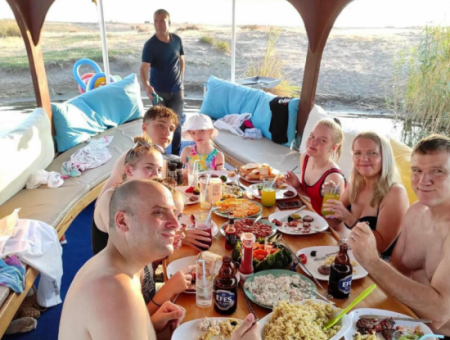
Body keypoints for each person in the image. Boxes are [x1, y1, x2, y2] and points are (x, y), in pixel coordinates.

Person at [59, 179, 260, 340]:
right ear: (122, 221)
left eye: (174, 213)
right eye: (158, 212)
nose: (175, 223)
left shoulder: (117, 267)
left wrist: (151, 327)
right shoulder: (114, 289)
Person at [348, 134, 450, 337]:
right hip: (399, 318)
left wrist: (372, 261)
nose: (424, 180)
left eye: (438, 171)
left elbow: (439, 313)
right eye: (417, 170)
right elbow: (396, 270)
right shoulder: (415, 212)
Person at [324, 131, 409, 258]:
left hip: (381, 264)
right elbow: (332, 221)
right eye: (358, 153)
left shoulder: (395, 193)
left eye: (372, 153)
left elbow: (381, 247)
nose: (364, 158)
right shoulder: (356, 184)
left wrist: (349, 219)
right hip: (353, 253)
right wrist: (330, 199)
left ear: (385, 157)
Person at [98, 105, 179, 199]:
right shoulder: (132, 156)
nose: (167, 133)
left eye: (171, 129)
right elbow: (104, 197)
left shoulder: (159, 158)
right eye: (161, 125)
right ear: (144, 127)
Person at [140, 9, 185, 156]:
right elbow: (144, 68)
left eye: (162, 21)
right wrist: (146, 85)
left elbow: (181, 60)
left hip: (177, 91)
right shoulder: (150, 45)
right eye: (156, 21)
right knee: (159, 126)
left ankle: (176, 156)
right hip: (158, 92)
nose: (158, 24)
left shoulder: (177, 40)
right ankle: (158, 156)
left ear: (169, 22)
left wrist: (181, 82)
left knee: (176, 125)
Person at [284, 118, 346, 215]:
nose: (313, 142)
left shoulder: (333, 177)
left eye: (322, 140)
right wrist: (297, 186)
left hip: (327, 227)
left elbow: (336, 219)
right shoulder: (305, 157)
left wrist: (330, 200)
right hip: (306, 218)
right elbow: (310, 198)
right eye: (312, 136)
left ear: (333, 148)